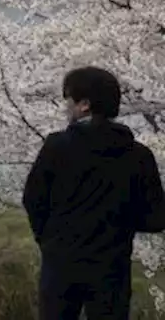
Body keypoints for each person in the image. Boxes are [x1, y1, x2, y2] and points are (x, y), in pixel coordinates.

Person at [23, 66, 165, 320]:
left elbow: (33, 200)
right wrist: (119, 227)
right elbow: (156, 218)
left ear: (84, 105)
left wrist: (50, 240)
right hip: (112, 268)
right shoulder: (139, 156)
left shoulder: (57, 146)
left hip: (61, 266)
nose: (66, 107)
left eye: (69, 100)